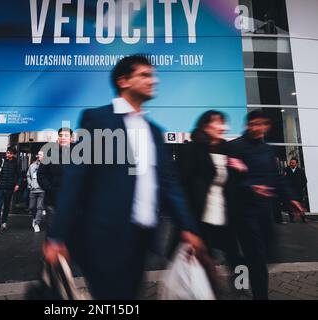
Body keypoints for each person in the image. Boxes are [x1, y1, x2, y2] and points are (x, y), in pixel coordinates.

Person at [43, 55, 205, 300]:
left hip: (141, 238)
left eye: (152, 75)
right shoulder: (97, 120)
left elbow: (170, 185)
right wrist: (56, 236)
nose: (153, 80)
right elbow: (75, 179)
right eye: (145, 75)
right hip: (103, 237)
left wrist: (188, 228)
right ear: (123, 81)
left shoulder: (153, 131)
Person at [228, 110, 304, 300]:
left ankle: (241, 270)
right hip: (244, 213)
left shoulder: (268, 150)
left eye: (262, 123)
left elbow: (277, 178)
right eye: (254, 123)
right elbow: (228, 182)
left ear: (267, 126)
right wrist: (250, 187)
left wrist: (292, 199)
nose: (258, 127)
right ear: (247, 125)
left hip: (264, 212)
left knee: (267, 255)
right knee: (258, 259)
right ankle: (258, 295)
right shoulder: (235, 147)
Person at [178, 111, 243, 277]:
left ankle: (241, 289)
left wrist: (239, 169)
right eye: (218, 122)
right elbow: (182, 185)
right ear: (205, 125)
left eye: (224, 122)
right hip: (201, 217)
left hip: (224, 215)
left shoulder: (228, 150)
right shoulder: (192, 149)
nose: (224, 127)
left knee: (236, 259)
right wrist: (185, 224)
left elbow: (232, 184)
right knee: (203, 261)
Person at [37, 127, 74, 214]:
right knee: (52, 226)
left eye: (66, 136)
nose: (63, 138)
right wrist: (51, 189)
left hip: (74, 200)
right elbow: (41, 175)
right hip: (52, 200)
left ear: (71, 138)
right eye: (60, 135)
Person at [0, 146, 20, 236]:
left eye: (10, 153)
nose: (8, 154)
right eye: (7, 152)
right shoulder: (1, 161)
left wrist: (17, 184)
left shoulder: (16, 163)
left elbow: (19, 175)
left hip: (10, 188)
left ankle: (4, 222)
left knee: (6, 206)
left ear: (14, 154)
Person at [284, 157, 307, 223]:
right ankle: (292, 218)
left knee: (301, 205)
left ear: (296, 163)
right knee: (290, 205)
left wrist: (302, 187)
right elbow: (284, 179)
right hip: (290, 190)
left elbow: (304, 180)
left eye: (293, 163)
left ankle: (303, 218)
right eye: (290, 163)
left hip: (298, 190)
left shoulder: (300, 171)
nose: (291, 164)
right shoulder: (287, 170)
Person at [27, 151, 45, 233]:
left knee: (39, 207)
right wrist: (30, 184)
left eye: (41, 154)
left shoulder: (46, 166)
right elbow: (28, 176)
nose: (39, 156)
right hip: (33, 189)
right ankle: (34, 218)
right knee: (31, 207)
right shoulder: (32, 165)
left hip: (42, 190)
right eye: (38, 154)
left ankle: (37, 223)